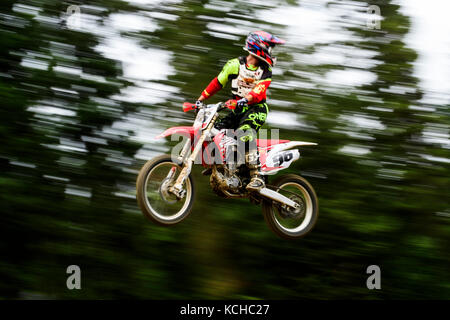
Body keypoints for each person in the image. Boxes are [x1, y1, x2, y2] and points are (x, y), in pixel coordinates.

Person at [196, 30, 285, 192]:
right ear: (261, 46)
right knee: (214, 132)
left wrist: (246, 99)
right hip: (237, 110)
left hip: (256, 108)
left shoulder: (265, 71)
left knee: (244, 132)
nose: (271, 52)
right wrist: (200, 99)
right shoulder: (234, 65)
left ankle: (256, 175)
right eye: (270, 48)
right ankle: (224, 168)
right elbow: (217, 82)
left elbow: (259, 90)